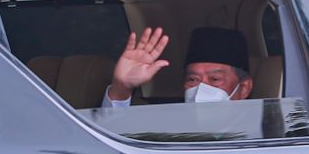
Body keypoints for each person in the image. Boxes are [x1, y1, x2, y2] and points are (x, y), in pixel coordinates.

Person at [102, 26, 254, 108]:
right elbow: (109, 138)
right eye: (193, 79)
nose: (201, 89)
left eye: (214, 79)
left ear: (244, 88)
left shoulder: (260, 137)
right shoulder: (162, 130)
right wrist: (121, 87)